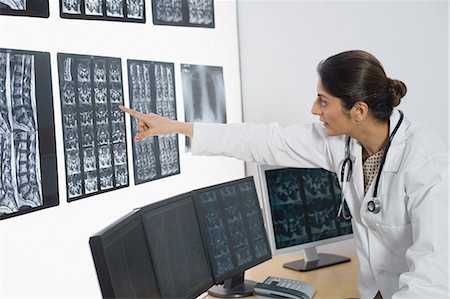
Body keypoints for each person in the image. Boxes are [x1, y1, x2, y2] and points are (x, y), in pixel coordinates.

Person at [119, 50, 448, 298]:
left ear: (358, 111)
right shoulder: (344, 144)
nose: (314, 109)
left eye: (323, 101)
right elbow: (264, 141)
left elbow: (434, 276)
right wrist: (178, 128)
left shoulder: (427, 164)